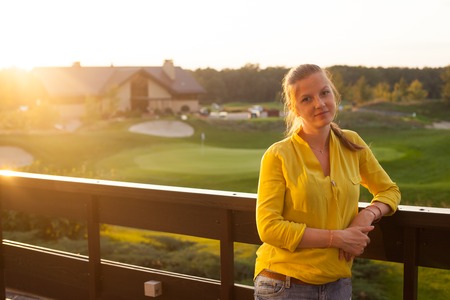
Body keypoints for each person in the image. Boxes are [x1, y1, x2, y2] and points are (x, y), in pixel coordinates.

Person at [254, 64, 401, 299]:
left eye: (324, 93)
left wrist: (368, 214)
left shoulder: (352, 143)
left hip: (338, 285)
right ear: (294, 108)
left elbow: (389, 190)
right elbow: (269, 228)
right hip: (284, 284)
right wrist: (337, 238)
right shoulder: (278, 155)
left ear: (334, 93)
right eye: (306, 99)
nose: (319, 104)